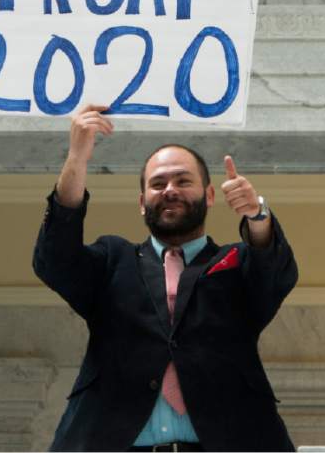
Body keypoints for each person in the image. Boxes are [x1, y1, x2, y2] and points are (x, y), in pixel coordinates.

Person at [33, 104, 298, 452]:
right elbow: (55, 260)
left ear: (210, 195)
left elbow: (276, 273)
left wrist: (257, 215)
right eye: (158, 184)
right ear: (143, 202)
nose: (170, 189)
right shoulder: (113, 260)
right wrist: (77, 159)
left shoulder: (237, 263)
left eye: (183, 180)